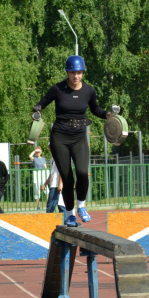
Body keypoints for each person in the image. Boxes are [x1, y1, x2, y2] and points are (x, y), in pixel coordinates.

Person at [33, 55, 111, 227]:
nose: (76, 76)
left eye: (79, 72)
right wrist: (36, 111)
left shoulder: (89, 91)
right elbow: (41, 104)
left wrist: (107, 115)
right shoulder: (57, 89)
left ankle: (81, 206)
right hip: (59, 137)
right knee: (67, 179)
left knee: (83, 172)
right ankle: (70, 214)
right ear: (67, 72)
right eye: (73, 72)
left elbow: (95, 109)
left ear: (83, 72)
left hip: (79, 137)